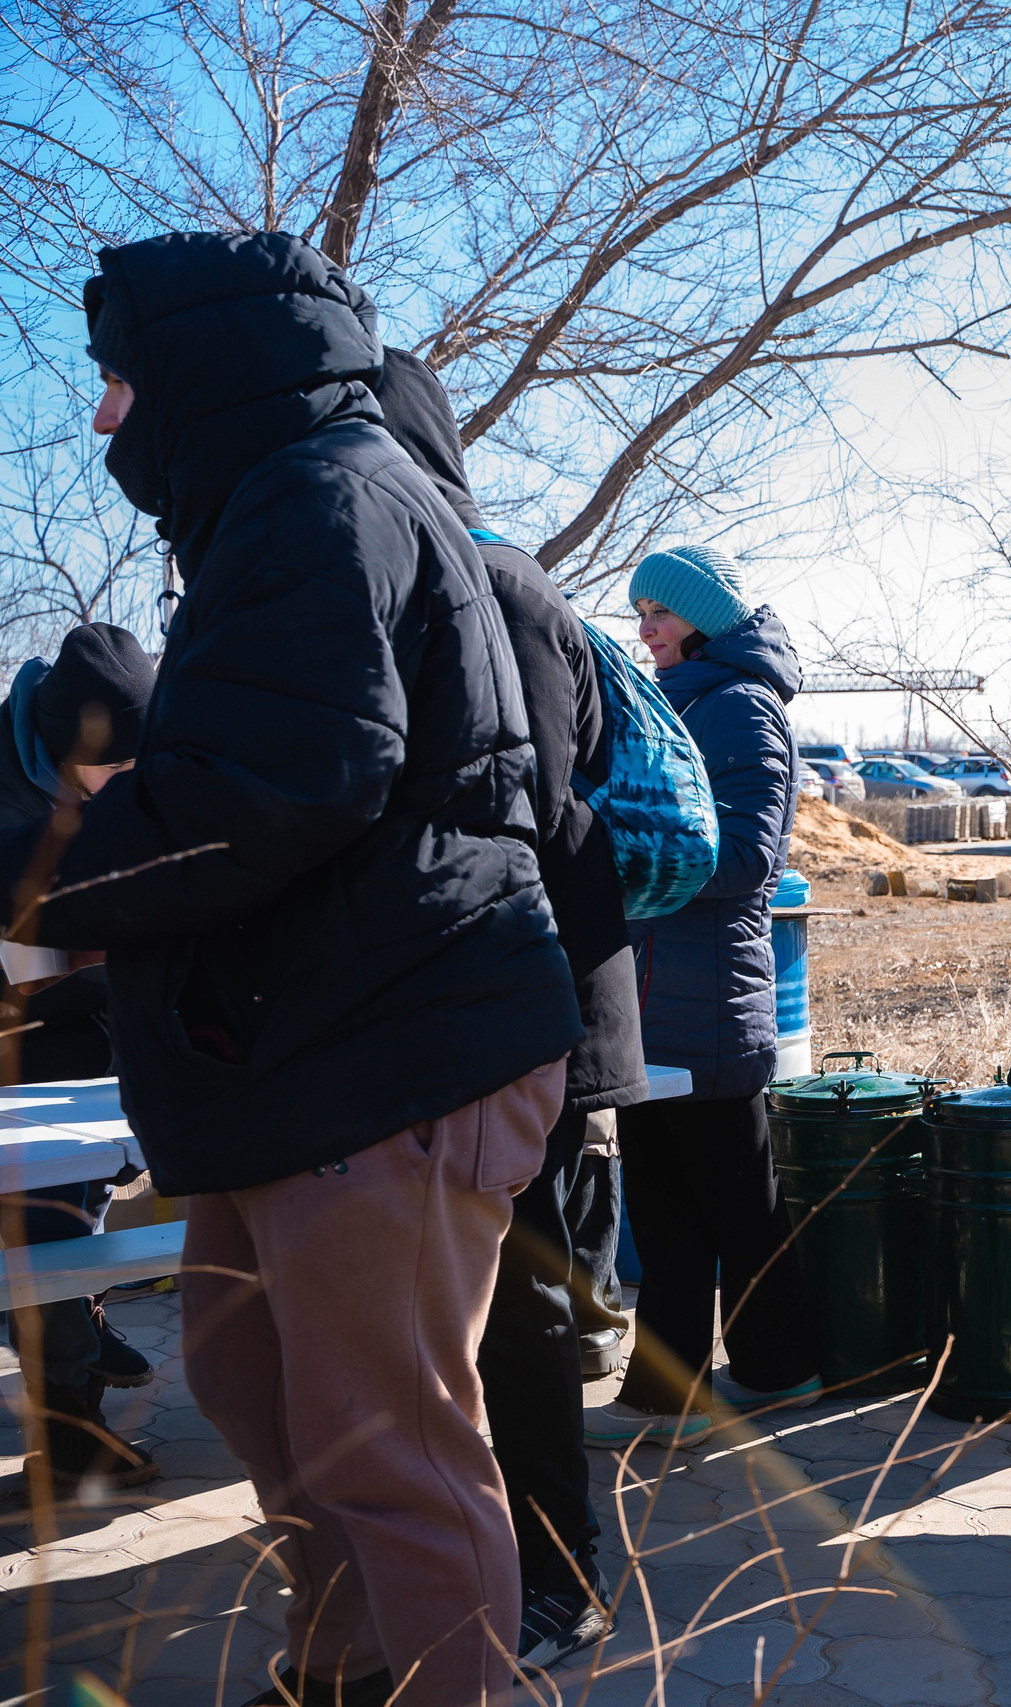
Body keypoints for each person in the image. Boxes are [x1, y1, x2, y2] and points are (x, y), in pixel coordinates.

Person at [24, 231, 583, 1707]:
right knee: (260, 1388)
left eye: (120, 382)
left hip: (390, 1048)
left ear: (198, 376)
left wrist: (42, 867)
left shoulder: (321, 496)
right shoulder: (286, 501)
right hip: (300, 1055)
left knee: (389, 1441)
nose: (102, 420)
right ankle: (339, 1673)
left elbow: (278, 779)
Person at [372, 349, 647, 1668]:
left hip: (533, 1004)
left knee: (530, 1311)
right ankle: (493, 1561)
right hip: (503, 998)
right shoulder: (456, 578)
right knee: (496, 1308)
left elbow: (519, 810)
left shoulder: (499, 590)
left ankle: (564, 1573)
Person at [585, 543, 819, 1445]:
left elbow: (747, 857)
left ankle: (777, 1368)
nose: (645, 630)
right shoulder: (676, 701)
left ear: (707, 619)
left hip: (711, 992)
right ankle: (667, 1392)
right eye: (639, 613)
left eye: (661, 613)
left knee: (734, 1203)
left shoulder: (741, 706)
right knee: (666, 1201)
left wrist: (634, 852)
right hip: (649, 990)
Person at [0, 623, 159, 1494]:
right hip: (24, 1040)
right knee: (45, 1205)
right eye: (120, 768)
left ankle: (78, 1351)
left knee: (83, 1192)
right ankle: (69, 1432)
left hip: (89, 1021)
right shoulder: (8, 796)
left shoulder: (104, 777)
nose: (133, 786)